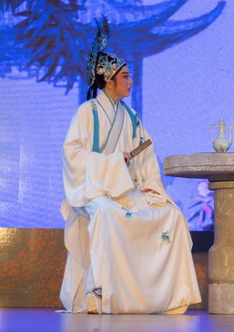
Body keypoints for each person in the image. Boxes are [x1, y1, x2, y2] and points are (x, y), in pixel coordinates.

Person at [59, 16, 201, 314]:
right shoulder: (87, 112)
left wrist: (151, 187)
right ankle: (99, 293)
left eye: (129, 76)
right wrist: (112, 162)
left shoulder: (131, 117)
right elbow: (73, 153)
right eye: (125, 76)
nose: (130, 81)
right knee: (108, 215)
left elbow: (146, 156)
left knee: (171, 216)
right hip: (96, 192)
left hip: (128, 191)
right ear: (108, 81)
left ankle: (164, 297)